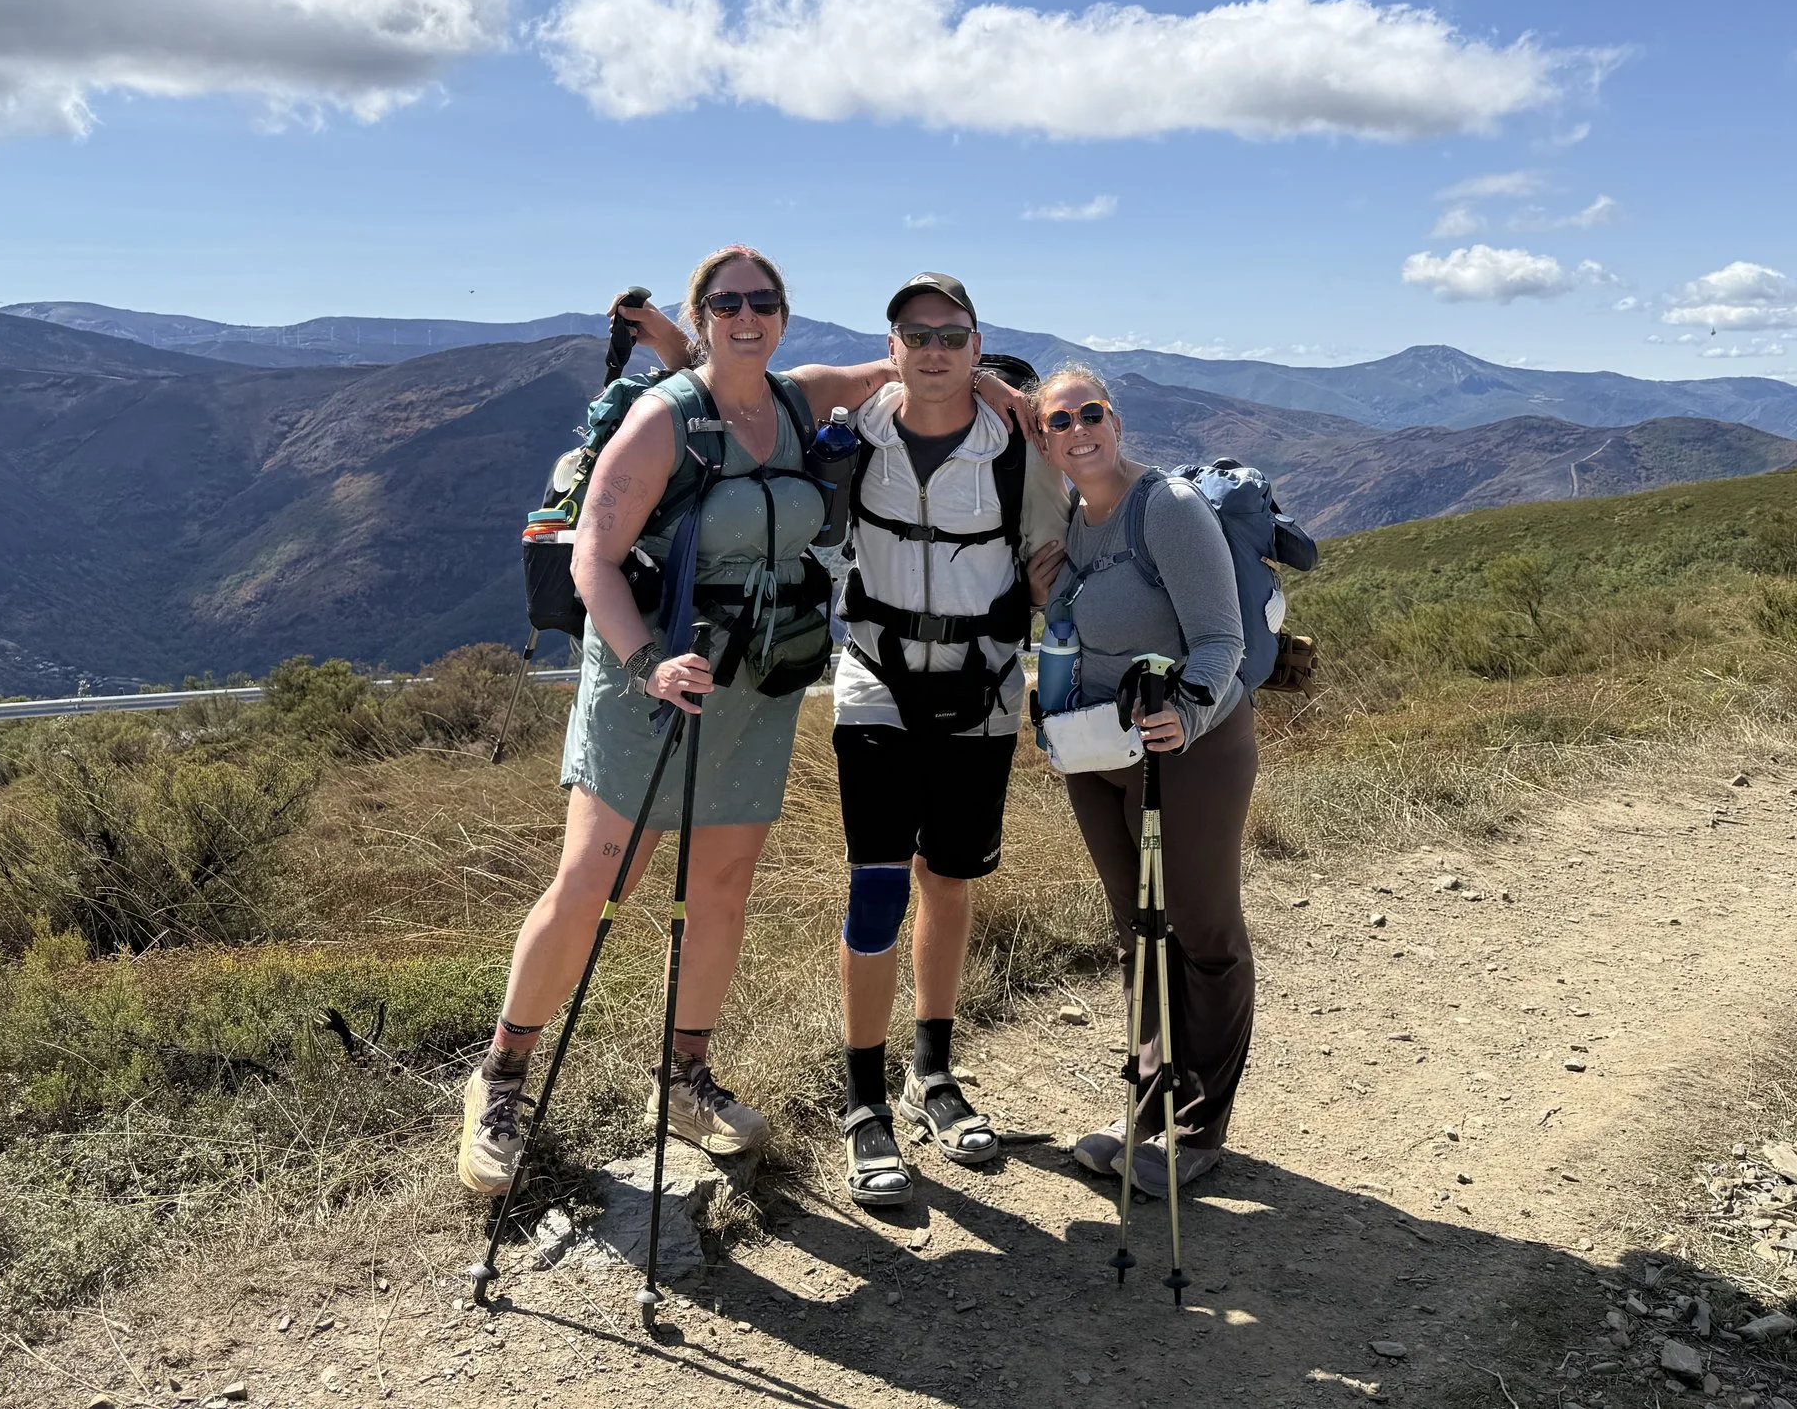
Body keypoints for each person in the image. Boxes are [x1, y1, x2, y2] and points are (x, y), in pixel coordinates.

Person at [457, 248, 1018, 1196]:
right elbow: (594, 559)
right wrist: (645, 660)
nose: (746, 315)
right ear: (705, 315)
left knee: (719, 888)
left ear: (785, 315)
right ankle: (501, 1079)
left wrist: (1013, 398)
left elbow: (910, 367)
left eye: (763, 301)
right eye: (727, 304)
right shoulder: (660, 422)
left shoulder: (801, 400)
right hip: (650, 675)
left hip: (755, 683)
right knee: (597, 881)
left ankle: (682, 1078)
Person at [829, 273, 1067, 1207]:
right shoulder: (858, 430)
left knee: (950, 877)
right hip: (876, 678)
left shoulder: (1021, 449)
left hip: (984, 689)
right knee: (879, 880)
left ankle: (932, 1073)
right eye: (915, 332)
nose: (933, 347)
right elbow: (733, 384)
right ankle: (862, 1104)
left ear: (977, 345)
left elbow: (1052, 565)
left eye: (951, 333)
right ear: (892, 346)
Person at [1024, 362, 1254, 1197]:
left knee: (1202, 930)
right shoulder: (1072, 522)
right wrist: (1049, 600)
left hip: (1190, 744)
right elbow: (1086, 633)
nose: (1078, 428)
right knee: (1139, 930)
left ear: (1115, 422)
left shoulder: (1170, 508)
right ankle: (1149, 1109)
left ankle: (1199, 1129)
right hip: (1101, 748)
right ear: (1042, 437)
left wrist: (1187, 714)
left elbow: (1222, 639)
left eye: (1092, 412)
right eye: (1058, 420)